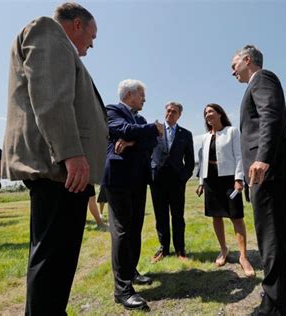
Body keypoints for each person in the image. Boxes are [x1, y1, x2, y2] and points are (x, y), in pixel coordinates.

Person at [2, 3, 108, 314]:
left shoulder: (58, 42)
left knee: (57, 262)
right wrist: (70, 153)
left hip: (64, 169)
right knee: (53, 261)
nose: (91, 45)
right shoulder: (47, 31)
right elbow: (50, 97)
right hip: (60, 167)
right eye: (92, 36)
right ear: (78, 24)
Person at [231, 45, 286, 314]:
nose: (232, 70)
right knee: (284, 231)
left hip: (267, 170)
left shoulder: (262, 79)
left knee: (271, 236)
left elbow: (270, 116)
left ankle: (274, 306)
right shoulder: (254, 85)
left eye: (234, 64)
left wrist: (262, 158)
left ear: (247, 60)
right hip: (271, 169)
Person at [102, 79, 163, 311]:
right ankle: (122, 290)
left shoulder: (139, 119)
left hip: (138, 179)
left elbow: (150, 142)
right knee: (122, 231)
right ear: (129, 96)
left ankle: (131, 271)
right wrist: (143, 132)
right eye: (142, 96)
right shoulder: (112, 110)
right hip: (118, 179)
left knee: (135, 228)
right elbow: (121, 129)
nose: (144, 100)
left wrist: (131, 140)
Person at [196, 104, 255, 278]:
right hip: (211, 181)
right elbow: (202, 160)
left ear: (220, 113)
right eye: (205, 112)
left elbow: (239, 155)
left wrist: (238, 178)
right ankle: (224, 250)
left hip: (229, 179)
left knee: (236, 217)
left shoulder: (232, 131)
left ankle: (243, 257)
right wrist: (201, 182)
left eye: (211, 111)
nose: (208, 114)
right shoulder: (205, 137)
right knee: (216, 216)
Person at [150, 102, 194, 262]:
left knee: (177, 216)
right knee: (160, 216)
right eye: (168, 110)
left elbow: (190, 161)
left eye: (174, 112)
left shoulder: (186, 134)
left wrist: (184, 177)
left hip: (176, 182)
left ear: (179, 115)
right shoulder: (154, 130)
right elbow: (146, 152)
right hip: (157, 181)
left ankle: (180, 249)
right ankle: (163, 249)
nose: (170, 113)